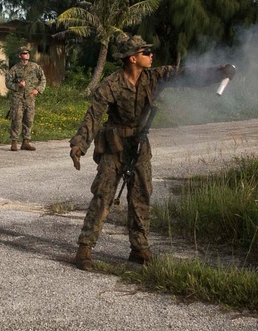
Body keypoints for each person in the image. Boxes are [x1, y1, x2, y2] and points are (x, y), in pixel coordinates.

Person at [69, 34, 234, 270]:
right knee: (103, 195)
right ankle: (84, 249)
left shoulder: (155, 77)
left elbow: (187, 74)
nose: (151, 55)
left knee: (141, 195)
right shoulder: (111, 84)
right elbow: (94, 115)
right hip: (114, 146)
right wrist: (79, 144)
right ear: (132, 59)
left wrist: (219, 71)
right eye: (145, 52)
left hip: (139, 143)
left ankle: (139, 249)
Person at [5, 46, 46, 151]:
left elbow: (43, 79)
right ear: (19, 55)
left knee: (29, 120)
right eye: (24, 53)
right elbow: (8, 83)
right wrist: (17, 86)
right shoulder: (14, 68)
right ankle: (14, 142)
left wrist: (38, 89)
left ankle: (26, 142)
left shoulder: (35, 67)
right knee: (16, 120)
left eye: (27, 53)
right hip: (18, 98)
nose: (26, 54)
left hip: (30, 98)